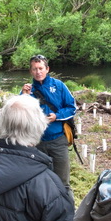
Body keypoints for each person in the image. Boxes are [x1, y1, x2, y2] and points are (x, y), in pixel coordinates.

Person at [20, 54, 76, 199]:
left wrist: (56, 116)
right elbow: (20, 116)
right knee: (37, 182)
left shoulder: (59, 86)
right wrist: (24, 96)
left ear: (47, 69)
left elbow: (72, 107)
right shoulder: (27, 90)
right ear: (30, 71)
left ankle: (68, 215)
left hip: (58, 140)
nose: (38, 72)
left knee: (63, 182)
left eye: (41, 68)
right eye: (34, 69)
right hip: (35, 142)